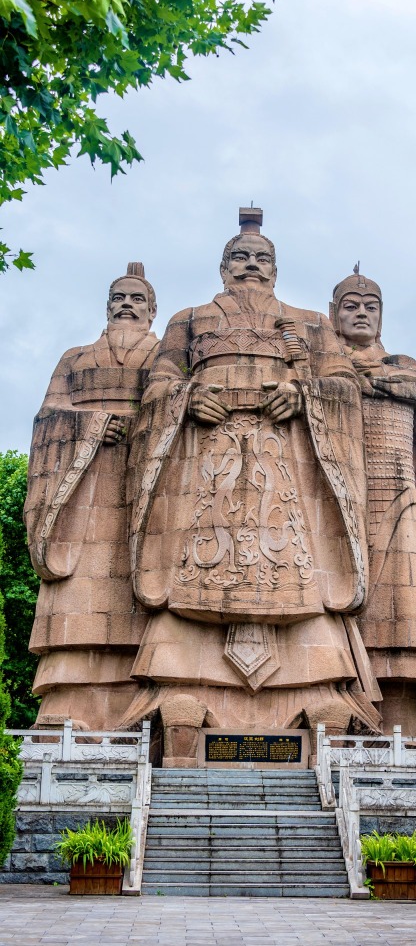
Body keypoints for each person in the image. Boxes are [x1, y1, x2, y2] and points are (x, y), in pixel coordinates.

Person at [124, 211, 381, 765]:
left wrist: (304, 395)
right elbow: (158, 384)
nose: (251, 265)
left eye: (262, 258)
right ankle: (183, 694)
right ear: (222, 267)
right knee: (199, 560)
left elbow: (344, 385)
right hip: (207, 466)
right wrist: (186, 398)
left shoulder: (309, 323)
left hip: (284, 466)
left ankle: (315, 693)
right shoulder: (189, 320)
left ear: (275, 269)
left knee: (295, 568)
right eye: (240, 257)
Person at [330, 269, 416, 734]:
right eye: (351, 306)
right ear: (333, 314)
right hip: (332, 505)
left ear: (382, 316)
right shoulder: (320, 371)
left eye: (370, 307)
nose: (361, 313)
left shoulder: (407, 372)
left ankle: (398, 734)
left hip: (397, 500)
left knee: (400, 624)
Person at [25, 263, 159, 730]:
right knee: (76, 587)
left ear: (152, 310)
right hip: (80, 487)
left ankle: (138, 700)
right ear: (107, 306)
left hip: (144, 483)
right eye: (119, 297)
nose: (127, 305)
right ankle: (67, 700)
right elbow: (47, 417)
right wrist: (93, 426)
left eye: (137, 299)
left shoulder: (164, 355)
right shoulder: (75, 358)